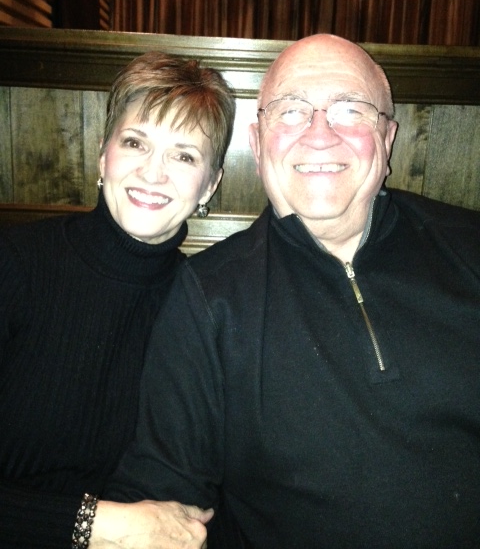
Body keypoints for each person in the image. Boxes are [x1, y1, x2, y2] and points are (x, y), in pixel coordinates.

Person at [104, 34, 480, 548]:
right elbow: (163, 498)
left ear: (388, 138)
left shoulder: (469, 247)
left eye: (350, 109)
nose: (320, 134)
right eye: (291, 111)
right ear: (258, 144)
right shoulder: (208, 297)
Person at [0, 50, 235, 548]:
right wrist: (98, 523)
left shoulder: (204, 304)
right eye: (135, 143)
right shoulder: (14, 265)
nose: (153, 173)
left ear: (210, 185)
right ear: (103, 155)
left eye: (184, 155)